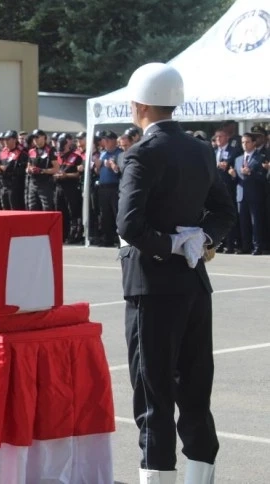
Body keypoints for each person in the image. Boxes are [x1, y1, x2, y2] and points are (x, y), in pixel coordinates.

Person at [116, 63, 236, 484]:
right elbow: (225, 210)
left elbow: (128, 226)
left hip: (151, 285)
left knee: (154, 392)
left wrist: (168, 243)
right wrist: (201, 240)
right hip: (193, 282)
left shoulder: (142, 154)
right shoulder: (201, 150)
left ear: (140, 105)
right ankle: (200, 478)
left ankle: (157, 478)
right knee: (195, 388)